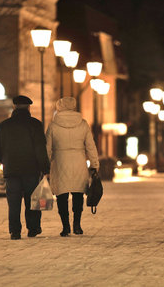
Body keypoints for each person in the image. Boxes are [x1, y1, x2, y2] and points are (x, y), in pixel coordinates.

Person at [0, 95, 50, 240]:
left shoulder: (4, 125)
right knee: (32, 200)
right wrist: (45, 168)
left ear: (14, 107)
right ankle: (33, 228)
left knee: (14, 202)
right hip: (31, 169)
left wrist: (5, 160)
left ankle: (15, 231)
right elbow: (40, 149)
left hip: (11, 170)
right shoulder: (35, 124)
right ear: (29, 107)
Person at [46, 97, 99, 237]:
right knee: (78, 195)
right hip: (78, 162)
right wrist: (94, 164)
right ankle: (77, 225)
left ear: (59, 107)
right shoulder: (83, 124)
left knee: (61, 196)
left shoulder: (53, 126)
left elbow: (48, 148)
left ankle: (65, 227)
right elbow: (90, 146)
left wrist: (45, 166)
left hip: (59, 162)